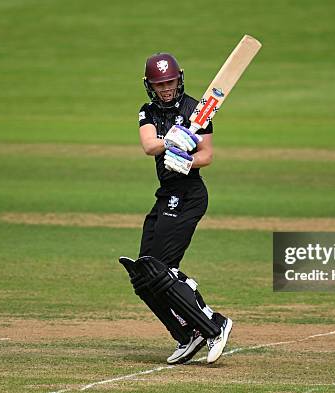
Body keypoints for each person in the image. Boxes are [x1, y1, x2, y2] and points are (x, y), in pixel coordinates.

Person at [128, 52, 232, 365]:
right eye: (160, 84)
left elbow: (207, 155)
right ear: (150, 85)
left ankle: (215, 325)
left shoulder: (197, 110)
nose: (166, 88)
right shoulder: (147, 111)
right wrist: (171, 139)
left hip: (189, 196)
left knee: (162, 268)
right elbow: (149, 145)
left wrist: (187, 160)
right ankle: (187, 334)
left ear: (179, 78)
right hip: (166, 195)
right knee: (143, 274)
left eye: (170, 82)